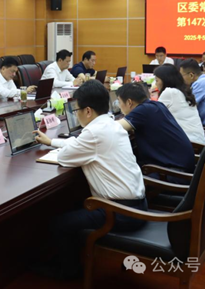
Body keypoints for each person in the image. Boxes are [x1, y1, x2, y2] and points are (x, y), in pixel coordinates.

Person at [32, 80, 146, 280]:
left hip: (120, 212)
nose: (75, 114)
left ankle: (69, 272)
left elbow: (65, 157)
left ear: (87, 111)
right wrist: (52, 141)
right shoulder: (111, 124)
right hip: (137, 206)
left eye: (76, 109)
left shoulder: (94, 133)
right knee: (73, 204)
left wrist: (57, 146)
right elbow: (82, 144)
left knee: (59, 223)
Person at [116, 82, 195, 176]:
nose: (119, 106)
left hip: (174, 174)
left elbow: (113, 128)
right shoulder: (156, 105)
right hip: (184, 167)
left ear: (129, 102)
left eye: (119, 102)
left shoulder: (142, 110)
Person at [153, 64, 205, 145]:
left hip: (189, 144)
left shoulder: (170, 92)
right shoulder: (183, 91)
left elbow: (153, 115)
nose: (156, 84)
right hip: (197, 142)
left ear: (165, 80)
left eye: (157, 80)